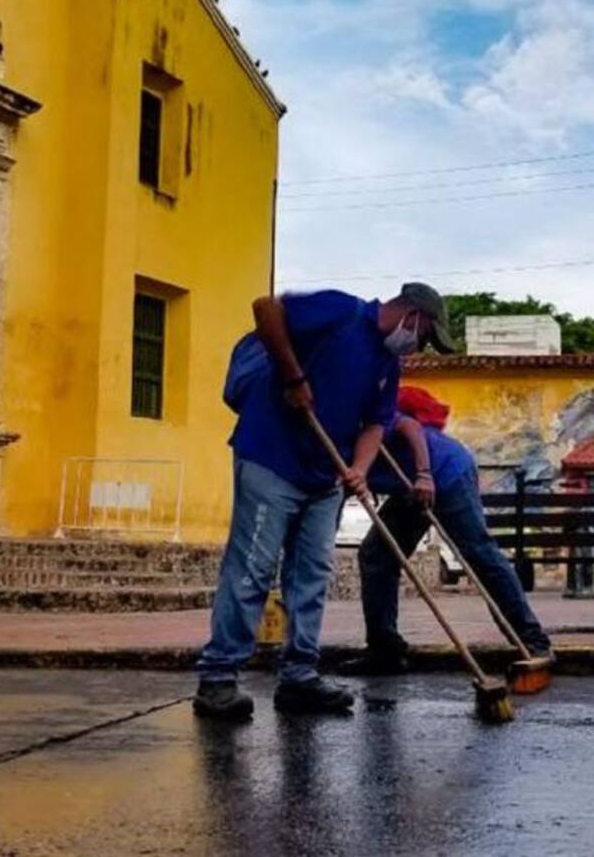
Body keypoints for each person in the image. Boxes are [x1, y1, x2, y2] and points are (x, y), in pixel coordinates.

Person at [193, 284, 455, 720]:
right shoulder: (340, 312)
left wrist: (360, 468)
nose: (421, 344)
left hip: (325, 476)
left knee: (312, 574)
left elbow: (376, 423)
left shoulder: (389, 364)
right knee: (254, 567)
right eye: (425, 333)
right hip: (270, 457)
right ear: (411, 313)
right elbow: (265, 309)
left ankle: (299, 677)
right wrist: (294, 377)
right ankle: (218, 678)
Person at [340, 386, 552, 674]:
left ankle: (532, 640)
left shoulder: (351, 411)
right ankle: (384, 649)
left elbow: (410, 427)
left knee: (478, 554)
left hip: (444, 471)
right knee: (377, 556)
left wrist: (425, 475)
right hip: (407, 487)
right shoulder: (317, 443)